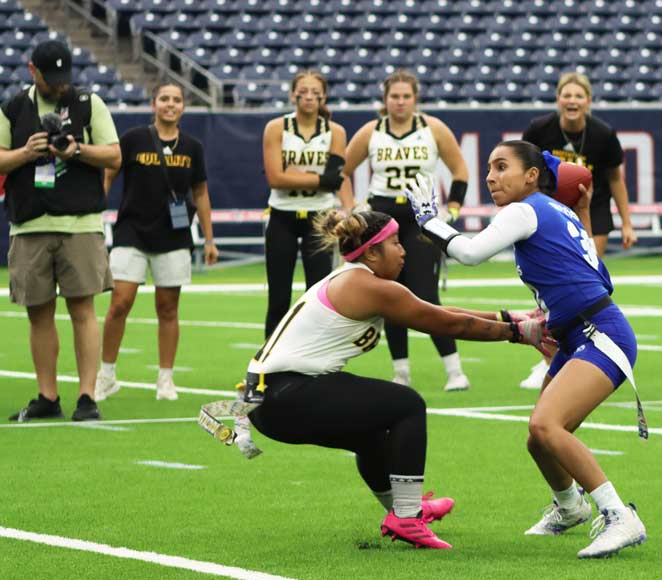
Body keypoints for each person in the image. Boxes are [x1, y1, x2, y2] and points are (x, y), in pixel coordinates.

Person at [223, 210, 547, 549]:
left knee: (371, 435)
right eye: (395, 242)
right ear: (372, 252)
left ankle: (404, 511)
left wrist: (507, 317)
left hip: (268, 398)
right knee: (407, 404)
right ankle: (406, 517)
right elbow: (450, 326)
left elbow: (441, 312)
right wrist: (519, 333)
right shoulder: (367, 285)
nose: (404, 249)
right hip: (283, 394)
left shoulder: (356, 278)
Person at [403, 141, 647, 559]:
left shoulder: (525, 209)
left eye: (502, 167)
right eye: (488, 169)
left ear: (532, 175)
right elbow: (595, 273)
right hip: (580, 331)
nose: (491, 177)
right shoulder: (556, 211)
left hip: (596, 331)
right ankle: (570, 507)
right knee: (540, 440)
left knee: (546, 427)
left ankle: (618, 515)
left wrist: (430, 220)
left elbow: (470, 252)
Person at [1, 41, 120, 422]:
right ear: (32, 70)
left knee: (83, 309)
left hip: (80, 223)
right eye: (50, 79)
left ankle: (87, 397)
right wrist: (26, 153)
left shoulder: (88, 103)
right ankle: (47, 396)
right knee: (39, 313)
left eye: (63, 78)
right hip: (30, 221)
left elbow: (114, 154)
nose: (58, 86)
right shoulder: (14, 106)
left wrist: (76, 151)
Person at [341, 69, 471, 391]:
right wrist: (351, 208)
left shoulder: (432, 128)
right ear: (385, 100)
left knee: (427, 294)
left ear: (415, 99)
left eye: (406, 96)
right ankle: (401, 372)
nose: (400, 102)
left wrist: (453, 207)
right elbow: (342, 172)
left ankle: (454, 370)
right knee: (389, 295)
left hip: (420, 217)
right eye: (394, 96)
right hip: (382, 217)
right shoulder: (372, 130)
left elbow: (460, 170)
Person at [94, 82, 218, 402]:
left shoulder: (193, 147)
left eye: (177, 100)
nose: (170, 104)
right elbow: (109, 173)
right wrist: (96, 211)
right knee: (119, 303)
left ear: (183, 108)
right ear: (153, 104)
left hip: (174, 235)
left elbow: (201, 192)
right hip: (131, 230)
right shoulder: (134, 138)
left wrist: (209, 239)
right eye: (164, 98)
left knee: (168, 308)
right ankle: (106, 375)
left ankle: (165, 379)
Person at [518, 72, 637, 389]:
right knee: (551, 289)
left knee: (584, 280)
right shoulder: (539, 129)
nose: (572, 101)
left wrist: (626, 221)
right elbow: (520, 171)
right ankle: (549, 359)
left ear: (589, 100)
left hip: (591, 210)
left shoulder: (603, 134)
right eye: (566, 95)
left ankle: (589, 349)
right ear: (558, 99)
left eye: (578, 95)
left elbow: (615, 179)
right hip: (549, 215)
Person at [261, 70, 350, 337]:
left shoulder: (335, 131)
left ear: (323, 96)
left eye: (315, 92)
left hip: (319, 219)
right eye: (304, 91)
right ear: (292, 94)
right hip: (282, 215)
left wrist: (297, 176)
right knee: (278, 297)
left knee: (318, 297)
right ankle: (268, 368)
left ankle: (313, 365)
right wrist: (319, 178)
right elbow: (275, 178)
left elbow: (334, 180)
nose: (309, 96)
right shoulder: (276, 128)